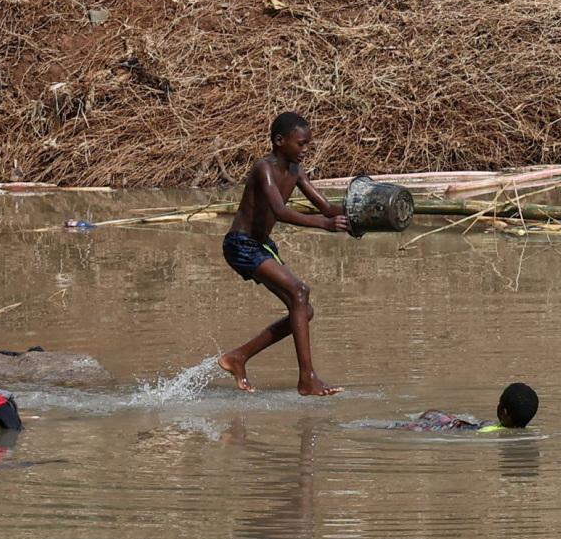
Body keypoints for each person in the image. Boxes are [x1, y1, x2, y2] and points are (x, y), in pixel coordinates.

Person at [218, 111, 360, 395]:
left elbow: (326, 208)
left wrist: (361, 215)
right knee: (299, 292)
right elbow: (280, 211)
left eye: (308, 144)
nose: (305, 150)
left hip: (262, 246)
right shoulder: (265, 169)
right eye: (301, 144)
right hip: (240, 245)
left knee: (303, 310)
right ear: (279, 141)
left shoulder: (296, 172)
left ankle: (238, 357)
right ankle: (307, 379)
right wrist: (326, 225)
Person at [394, 384, 540, 434]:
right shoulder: (532, 430)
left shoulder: (486, 431)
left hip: (445, 427)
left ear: (503, 412)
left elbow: (464, 429)